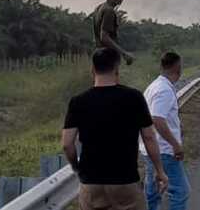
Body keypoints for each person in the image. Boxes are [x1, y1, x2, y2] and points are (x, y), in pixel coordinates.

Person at [62, 48, 168, 210]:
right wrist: (160, 171)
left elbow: (67, 144)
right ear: (117, 69)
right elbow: (149, 137)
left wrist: (76, 167)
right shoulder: (134, 97)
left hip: (91, 184)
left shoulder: (78, 101)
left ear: (93, 69)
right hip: (125, 182)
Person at [141, 52, 191, 210]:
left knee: (154, 191)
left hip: (151, 148)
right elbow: (157, 119)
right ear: (178, 67)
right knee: (180, 191)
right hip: (164, 151)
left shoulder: (154, 86)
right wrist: (175, 144)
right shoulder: (164, 90)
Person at [93, 0, 134, 65]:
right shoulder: (109, 11)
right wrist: (124, 54)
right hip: (107, 56)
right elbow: (104, 37)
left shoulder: (99, 7)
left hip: (99, 54)